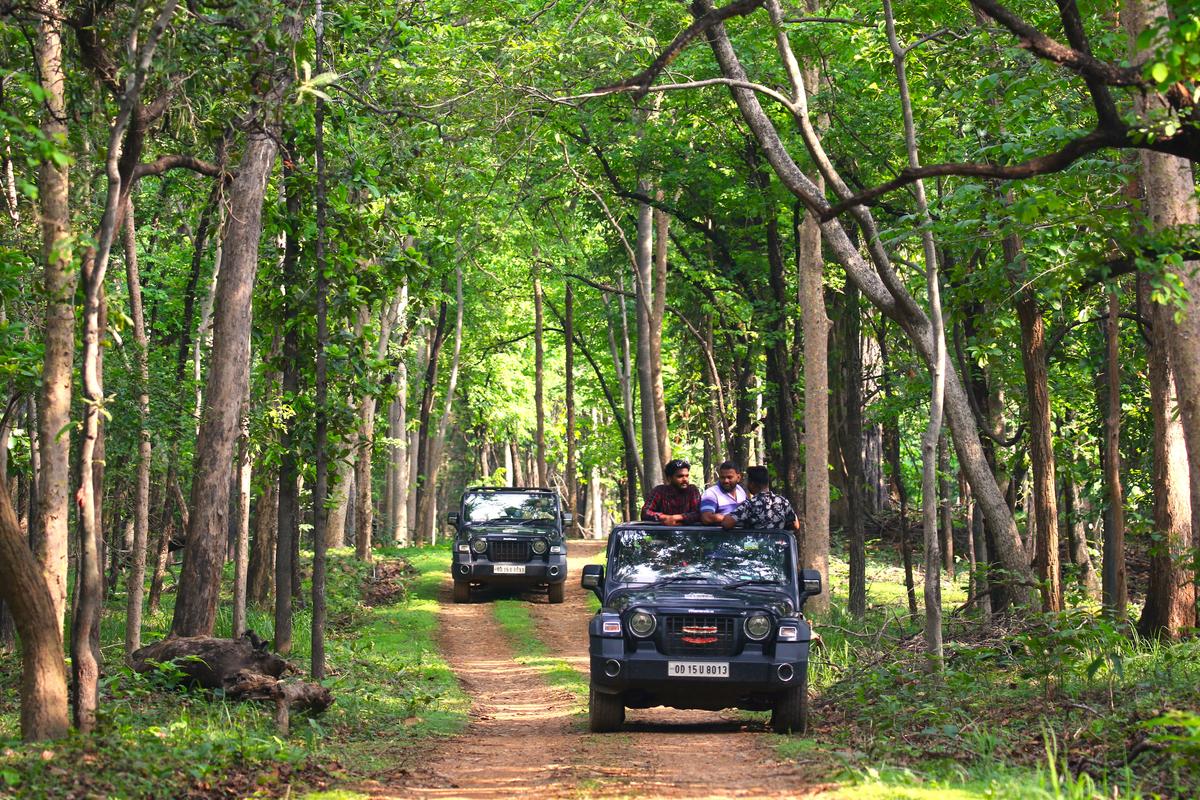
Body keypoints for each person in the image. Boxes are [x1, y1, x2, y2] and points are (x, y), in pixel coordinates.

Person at [722, 466, 799, 531]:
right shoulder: (783, 501)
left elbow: (726, 523)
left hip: (755, 547)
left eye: (748, 481)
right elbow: (796, 525)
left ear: (752, 484)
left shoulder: (750, 504)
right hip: (777, 547)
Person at [640, 458, 701, 525]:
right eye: (680, 476)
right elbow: (645, 512)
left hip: (689, 533)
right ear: (669, 478)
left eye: (687, 476)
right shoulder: (659, 491)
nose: (685, 479)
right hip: (663, 533)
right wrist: (665, 517)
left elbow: (698, 513)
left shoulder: (692, 490)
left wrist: (677, 518)